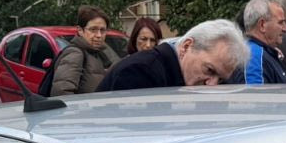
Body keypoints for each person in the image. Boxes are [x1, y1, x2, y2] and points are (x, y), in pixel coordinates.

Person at [99, 19, 248, 92]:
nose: (212, 84)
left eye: (220, 79)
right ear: (186, 47)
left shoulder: (164, 71)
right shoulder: (141, 72)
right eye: (209, 70)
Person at [42, 5, 120, 96]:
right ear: (80, 30)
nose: (99, 35)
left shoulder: (101, 53)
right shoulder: (75, 54)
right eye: (93, 29)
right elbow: (61, 92)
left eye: (102, 30)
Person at [236, 0, 286, 85]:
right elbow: (256, 93)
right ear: (262, 25)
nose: (285, 29)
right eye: (280, 22)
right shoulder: (254, 56)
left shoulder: (257, 53)